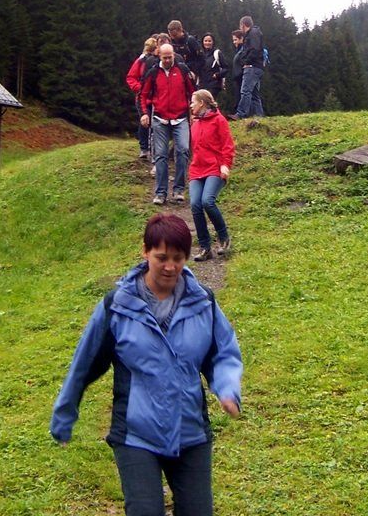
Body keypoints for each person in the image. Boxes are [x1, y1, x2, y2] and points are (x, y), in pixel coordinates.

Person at [51, 213, 243, 516]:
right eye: (161, 257)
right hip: (136, 435)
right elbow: (84, 364)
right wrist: (64, 415)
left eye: (178, 258)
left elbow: (223, 353)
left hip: (190, 432)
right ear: (145, 252)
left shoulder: (203, 302)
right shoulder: (118, 306)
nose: (170, 267)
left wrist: (228, 388)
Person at [140, 44, 195, 205]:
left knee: (183, 151)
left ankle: (179, 189)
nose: (167, 60)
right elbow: (142, 95)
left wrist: (194, 113)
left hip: (181, 118)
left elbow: (193, 92)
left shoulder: (183, 70)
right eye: (164, 57)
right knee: (161, 155)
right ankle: (160, 192)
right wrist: (144, 113)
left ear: (173, 55)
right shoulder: (153, 73)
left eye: (170, 57)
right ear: (159, 56)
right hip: (160, 119)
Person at [188, 90, 234, 262]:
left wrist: (225, 164)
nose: (191, 105)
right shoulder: (195, 123)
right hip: (197, 170)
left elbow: (227, 145)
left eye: (193, 102)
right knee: (195, 204)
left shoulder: (219, 120)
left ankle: (224, 238)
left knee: (207, 201)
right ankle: (205, 247)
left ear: (202, 103)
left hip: (215, 168)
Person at [126, 37, 159, 159]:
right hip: (144, 97)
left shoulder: (159, 60)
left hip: (157, 97)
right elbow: (131, 77)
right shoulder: (141, 60)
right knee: (145, 122)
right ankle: (144, 148)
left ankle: (155, 148)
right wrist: (140, 88)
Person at [233, 15, 265, 119]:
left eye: (240, 26)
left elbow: (254, 49)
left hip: (252, 67)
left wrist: (246, 61)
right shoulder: (254, 33)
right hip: (257, 67)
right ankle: (259, 115)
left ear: (243, 25)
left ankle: (241, 113)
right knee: (254, 94)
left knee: (245, 91)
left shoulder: (253, 33)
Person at [197, 33, 228, 97]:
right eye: (205, 41)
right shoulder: (200, 54)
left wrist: (217, 75)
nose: (207, 43)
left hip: (214, 85)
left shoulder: (217, 53)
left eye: (209, 41)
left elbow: (226, 68)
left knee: (209, 101)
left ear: (213, 42)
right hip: (202, 85)